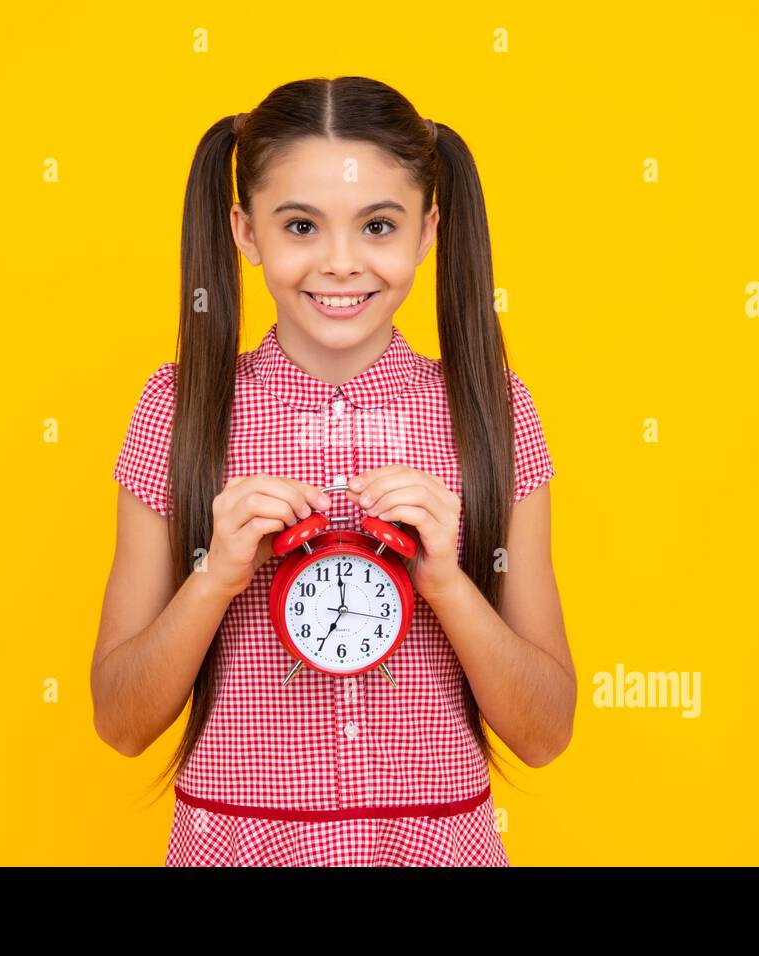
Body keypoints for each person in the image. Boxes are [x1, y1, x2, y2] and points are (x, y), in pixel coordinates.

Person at [91, 76, 576, 866]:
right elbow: (120, 720)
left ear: (428, 233)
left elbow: (546, 732)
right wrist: (214, 575)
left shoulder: (492, 410)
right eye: (302, 226)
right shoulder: (178, 409)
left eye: (379, 225)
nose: (341, 263)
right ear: (246, 233)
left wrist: (448, 582)